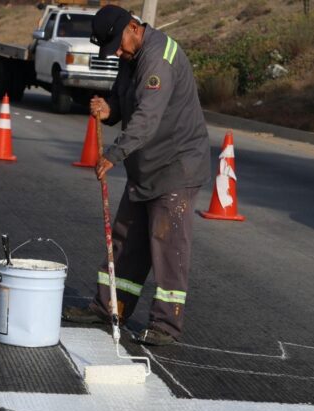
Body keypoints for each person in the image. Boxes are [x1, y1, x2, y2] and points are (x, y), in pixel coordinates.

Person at [62, 5, 210, 346]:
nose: (115, 51)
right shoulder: (130, 57)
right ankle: (110, 306)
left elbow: (146, 117)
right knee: (126, 241)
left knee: (167, 245)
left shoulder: (158, 60)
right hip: (145, 167)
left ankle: (166, 325)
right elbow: (124, 100)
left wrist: (113, 154)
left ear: (133, 26)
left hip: (175, 167)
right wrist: (109, 109)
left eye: (117, 43)